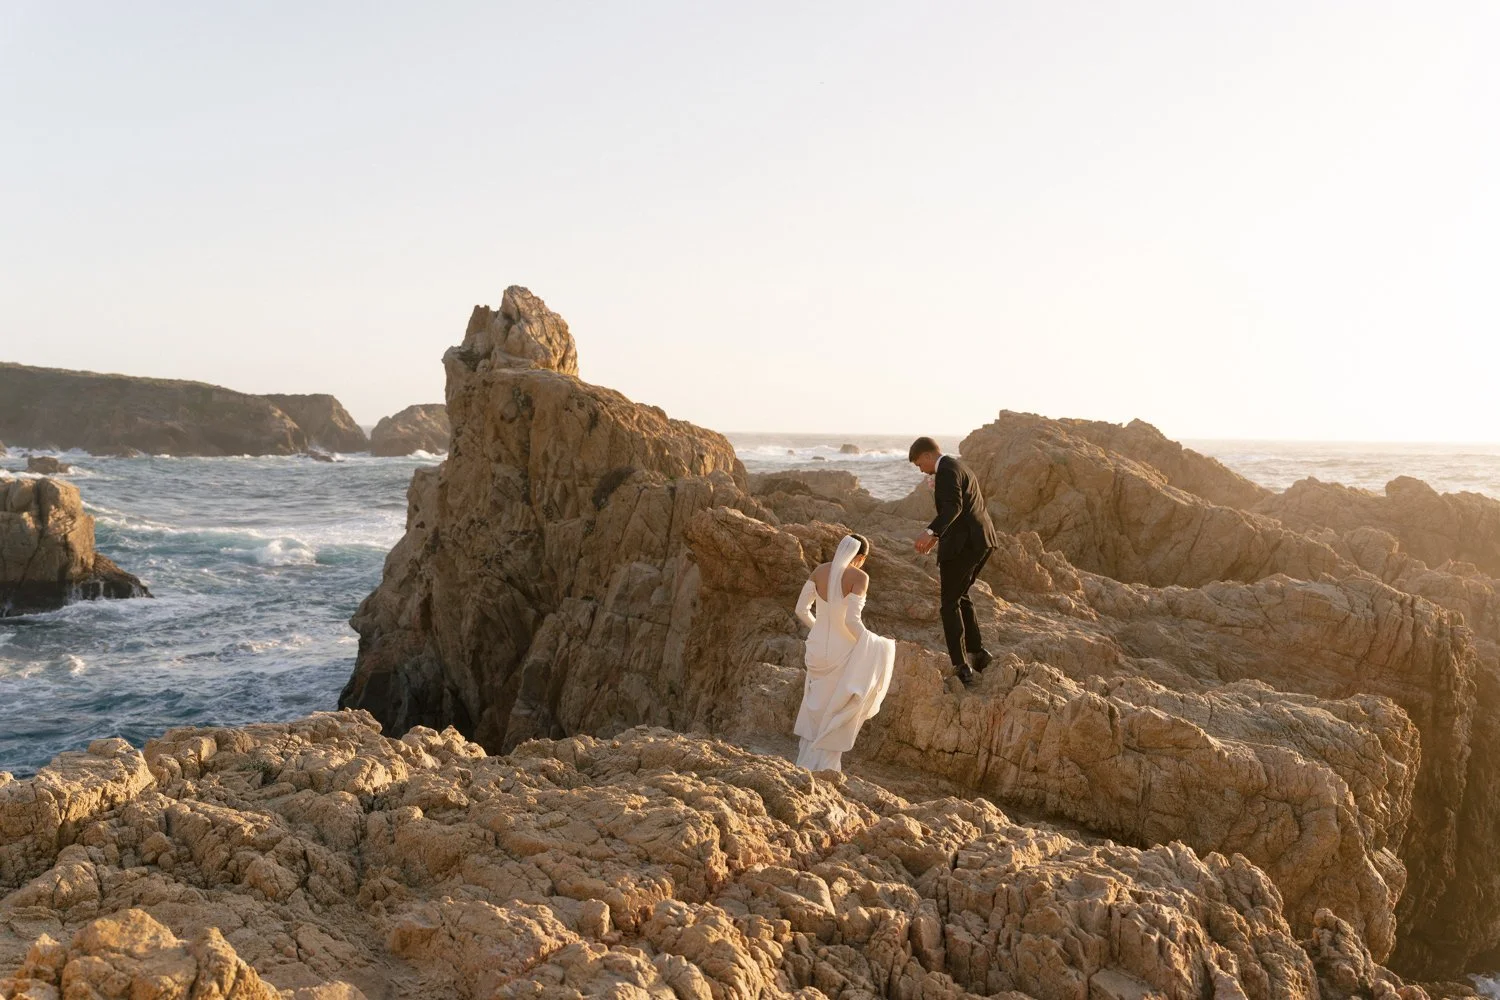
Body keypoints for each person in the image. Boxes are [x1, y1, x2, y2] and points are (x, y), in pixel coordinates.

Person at [791, 533, 896, 771]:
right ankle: (825, 767)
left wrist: (819, 629)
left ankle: (806, 762)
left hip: (816, 648)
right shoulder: (859, 577)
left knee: (815, 705)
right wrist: (873, 643)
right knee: (836, 709)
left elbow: (801, 609)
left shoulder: (820, 571)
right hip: (842, 651)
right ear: (860, 557)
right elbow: (851, 621)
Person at [909, 437, 999, 685]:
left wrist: (929, 532)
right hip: (983, 540)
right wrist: (938, 537)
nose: (921, 470)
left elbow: (953, 508)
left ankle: (961, 666)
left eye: (919, 464)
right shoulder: (959, 466)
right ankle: (978, 653)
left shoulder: (946, 471)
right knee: (961, 596)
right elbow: (963, 509)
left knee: (948, 604)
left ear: (927, 455)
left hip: (963, 546)